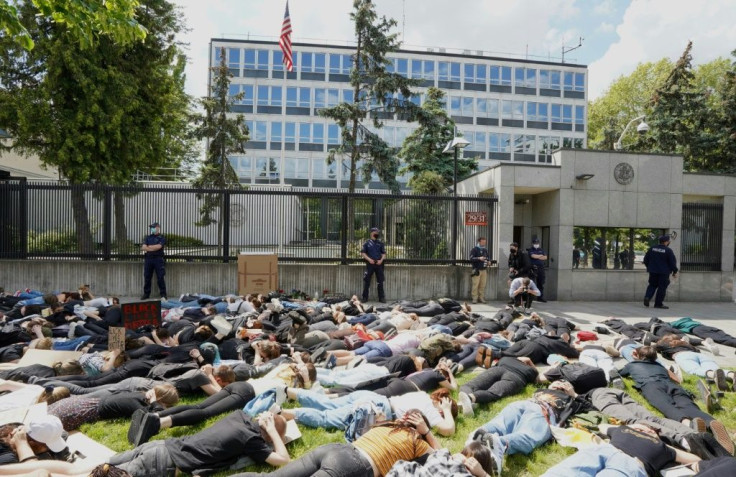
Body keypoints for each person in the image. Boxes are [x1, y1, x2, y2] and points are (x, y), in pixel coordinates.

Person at [234, 411, 440, 477]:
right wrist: (426, 432)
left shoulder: (387, 425)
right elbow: (442, 457)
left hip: (334, 449)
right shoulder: (416, 443)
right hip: (353, 464)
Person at [108, 410, 289, 476]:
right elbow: (284, 461)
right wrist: (273, 432)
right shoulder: (252, 440)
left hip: (159, 446)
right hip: (163, 463)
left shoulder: (239, 415)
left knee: (104, 467)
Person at [643, 234, 678, 309]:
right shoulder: (668, 250)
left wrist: (650, 267)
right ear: (666, 242)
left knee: (652, 285)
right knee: (662, 288)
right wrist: (674, 272)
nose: (669, 242)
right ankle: (658, 304)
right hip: (664, 273)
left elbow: (646, 260)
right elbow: (672, 262)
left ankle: (647, 297)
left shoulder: (652, 248)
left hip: (653, 271)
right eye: (668, 241)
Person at [141, 221, 167, 301]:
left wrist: (149, 247)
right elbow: (143, 247)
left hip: (158, 259)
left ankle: (163, 294)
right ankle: (146, 294)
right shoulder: (148, 237)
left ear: (158, 228)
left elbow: (159, 247)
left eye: (153, 227)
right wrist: (152, 248)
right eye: (151, 228)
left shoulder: (162, 238)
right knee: (147, 277)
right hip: (148, 259)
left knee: (160, 277)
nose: (152, 229)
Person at [361, 227, 387, 303]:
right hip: (370, 264)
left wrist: (381, 260)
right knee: (367, 281)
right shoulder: (367, 243)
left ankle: (381, 298)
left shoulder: (380, 243)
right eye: (376, 232)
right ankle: (365, 297)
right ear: (372, 233)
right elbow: (363, 253)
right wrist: (369, 260)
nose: (377, 234)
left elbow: (384, 253)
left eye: (378, 232)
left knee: (380, 281)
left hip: (379, 264)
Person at [469, 237, 490, 304]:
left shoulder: (485, 250)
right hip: (476, 270)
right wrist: (479, 258)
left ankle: (481, 298)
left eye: (485, 242)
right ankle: (474, 299)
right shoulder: (474, 249)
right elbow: (471, 259)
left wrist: (489, 261)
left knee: (482, 285)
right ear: (479, 242)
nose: (484, 243)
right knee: (475, 285)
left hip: (484, 270)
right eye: (483, 242)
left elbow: (488, 257)